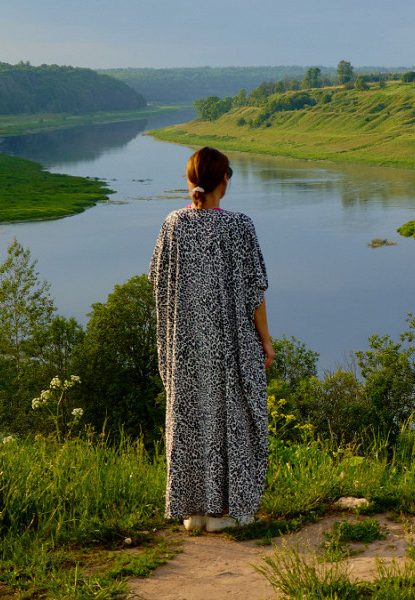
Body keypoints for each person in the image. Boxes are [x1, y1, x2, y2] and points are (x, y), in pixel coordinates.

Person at [151, 147, 275, 532]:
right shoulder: (239, 226)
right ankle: (229, 512)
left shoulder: (172, 224)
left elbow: (158, 281)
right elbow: (255, 291)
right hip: (230, 345)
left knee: (189, 418)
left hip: (186, 346)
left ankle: (193, 514)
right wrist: (266, 341)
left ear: (191, 182)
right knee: (236, 416)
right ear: (225, 179)